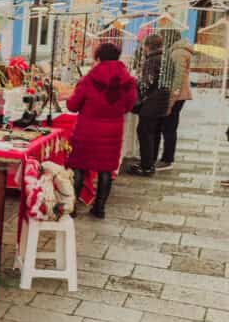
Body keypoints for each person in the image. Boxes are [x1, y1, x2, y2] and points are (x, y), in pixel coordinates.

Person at [65, 43, 136, 218]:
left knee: (78, 167)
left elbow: (73, 105)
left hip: (86, 130)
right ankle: (99, 208)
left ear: (98, 58)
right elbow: (130, 105)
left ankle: (71, 207)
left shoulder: (89, 79)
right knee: (106, 169)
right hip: (112, 131)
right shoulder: (128, 81)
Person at [129, 32, 173, 176]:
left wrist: (136, 82)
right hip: (162, 100)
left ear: (148, 46)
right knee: (154, 133)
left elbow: (146, 84)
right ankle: (149, 162)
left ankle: (146, 166)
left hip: (151, 103)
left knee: (144, 132)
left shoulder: (152, 60)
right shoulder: (167, 59)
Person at [156, 39, 194, 171]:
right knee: (169, 127)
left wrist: (171, 99)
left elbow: (178, 77)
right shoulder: (180, 52)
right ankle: (166, 158)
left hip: (177, 96)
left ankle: (167, 159)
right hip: (179, 95)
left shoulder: (178, 53)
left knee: (169, 128)